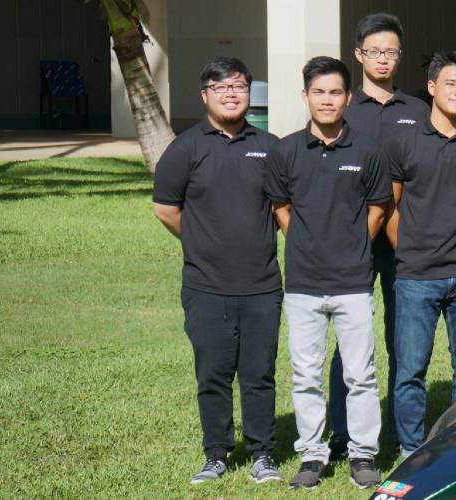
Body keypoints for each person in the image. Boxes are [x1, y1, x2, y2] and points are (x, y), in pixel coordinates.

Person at [152, 57, 283, 486]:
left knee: (259, 374)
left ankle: (263, 453)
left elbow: (285, 208)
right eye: (221, 86)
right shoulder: (185, 148)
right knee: (212, 374)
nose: (231, 93)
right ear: (205, 94)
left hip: (262, 285)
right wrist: (201, 243)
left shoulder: (269, 146)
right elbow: (166, 209)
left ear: (250, 94)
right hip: (206, 287)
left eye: (240, 86)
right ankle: (216, 453)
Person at [265, 56, 387, 489]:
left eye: (336, 92)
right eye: (319, 92)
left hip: (353, 281)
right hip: (302, 283)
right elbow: (281, 206)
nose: (327, 100)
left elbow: (377, 208)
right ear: (305, 97)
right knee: (306, 374)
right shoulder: (286, 150)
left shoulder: (368, 150)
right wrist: (304, 241)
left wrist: (352, 247)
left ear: (348, 98)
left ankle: (362, 454)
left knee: (360, 375)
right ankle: (313, 456)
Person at [382, 51, 456, 458]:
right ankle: (411, 451)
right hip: (416, 276)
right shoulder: (404, 142)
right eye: (451, 84)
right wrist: (413, 251)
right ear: (433, 88)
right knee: (409, 372)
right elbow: (391, 207)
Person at [335, 13, 425, 458]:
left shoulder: (418, 111)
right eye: (374, 51)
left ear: (400, 57)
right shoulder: (343, 108)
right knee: (350, 342)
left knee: (401, 339)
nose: (383, 59)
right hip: (353, 244)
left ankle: (397, 429)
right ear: (359, 55)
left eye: (391, 51)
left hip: (406, 245)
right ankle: (341, 431)